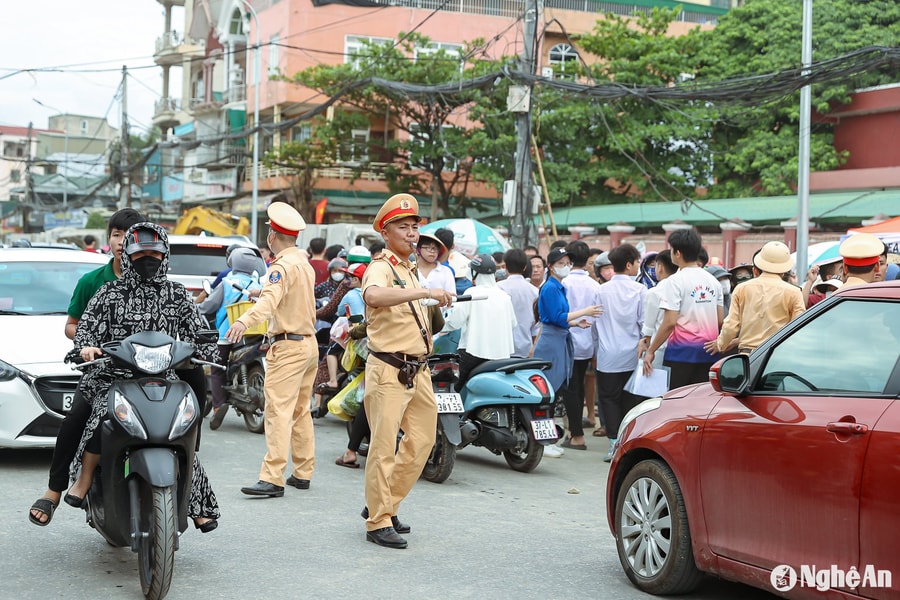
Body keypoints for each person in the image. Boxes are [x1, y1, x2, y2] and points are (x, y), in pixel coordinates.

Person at [52, 222, 220, 532]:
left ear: (164, 255)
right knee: (102, 415)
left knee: (180, 432)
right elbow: (85, 329)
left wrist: (204, 346)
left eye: (153, 253)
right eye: (139, 252)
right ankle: (85, 479)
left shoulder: (177, 293)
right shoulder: (109, 292)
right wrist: (88, 348)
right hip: (112, 376)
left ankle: (196, 503)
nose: (147, 258)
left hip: (164, 378)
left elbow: (199, 329)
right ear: (127, 255)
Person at [30, 208, 145, 526]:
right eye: (117, 234)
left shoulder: (157, 282)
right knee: (77, 418)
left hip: (149, 372)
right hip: (103, 369)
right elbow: (72, 325)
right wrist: (87, 344)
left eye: (130, 235)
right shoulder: (92, 281)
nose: (122, 242)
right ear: (108, 239)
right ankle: (54, 490)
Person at [359, 193, 454, 549]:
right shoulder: (382, 266)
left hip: (419, 369)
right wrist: (422, 291)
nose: (412, 233)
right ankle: (378, 521)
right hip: (389, 369)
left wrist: (435, 298)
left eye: (415, 226)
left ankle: (385, 503)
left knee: (423, 441)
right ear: (386, 233)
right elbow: (373, 296)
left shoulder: (410, 269)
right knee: (383, 447)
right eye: (403, 227)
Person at [226, 202, 319, 498]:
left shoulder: (280, 266)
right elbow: (286, 296)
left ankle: (273, 477)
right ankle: (303, 472)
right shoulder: (302, 263)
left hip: (288, 346)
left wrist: (243, 320)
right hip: (309, 344)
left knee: (277, 411)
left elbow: (268, 304)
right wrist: (261, 292)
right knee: (301, 410)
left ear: (272, 236)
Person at [532, 248, 602, 453]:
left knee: (555, 390)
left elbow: (559, 319)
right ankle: (542, 441)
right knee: (548, 391)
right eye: (561, 263)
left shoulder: (558, 286)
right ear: (551, 266)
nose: (566, 267)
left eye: (568, 263)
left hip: (560, 339)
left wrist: (575, 324)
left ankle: (547, 439)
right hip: (551, 344)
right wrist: (585, 312)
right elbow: (556, 316)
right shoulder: (551, 288)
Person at [642, 229, 724, 390]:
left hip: (680, 355)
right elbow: (720, 320)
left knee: (677, 402)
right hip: (709, 354)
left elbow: (670, 322)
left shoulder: (674, 281)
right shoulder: (713, 282)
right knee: (701, 402)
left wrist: (651, 350)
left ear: (677, 253)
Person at [198, 247, 264, 430]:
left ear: (232, 262)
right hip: (253, 331)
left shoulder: (227, 282)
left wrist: (199, 309)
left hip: (227, 332)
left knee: (217, 367)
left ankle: (218, 405)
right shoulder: (256, 283)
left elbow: (210, 305)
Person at [704, 241, 805, 357]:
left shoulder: (741, 288)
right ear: (784, 269)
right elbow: (797, 327)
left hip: (748, 355)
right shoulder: (794, 292)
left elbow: (731, 325)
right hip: (777, 354)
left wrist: (721, 344)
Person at [592, 244, 646, 461]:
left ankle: (614, 444)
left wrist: (596, 348)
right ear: (628, 264)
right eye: (637, 262)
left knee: (608, 399)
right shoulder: (640, 290)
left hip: (607, 354)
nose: (638, 267)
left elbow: (595, 323)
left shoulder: (601, 291)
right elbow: (644, 324)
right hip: (633, 354)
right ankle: (627, 442)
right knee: (630, 400)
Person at [442, 254, 516, 387]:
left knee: (451, 387)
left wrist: (438, 327)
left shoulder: (472, 293)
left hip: (472, 353)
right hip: (501, 356)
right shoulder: (504, 296)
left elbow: (455, 322)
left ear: (474, 273)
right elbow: (513, 324)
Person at [562, 241, 602, 445]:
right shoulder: (595, 286)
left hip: (567, 341)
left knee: (571, 388)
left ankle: (576, 434)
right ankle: (575, 433)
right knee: (577, 386)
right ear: (587, 260)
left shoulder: (563, 283)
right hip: (588, 343)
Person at [638, 249, 678, 372]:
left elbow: (649, 328)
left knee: (656, 387)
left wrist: (646, 346)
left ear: (660, 267)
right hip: (680, 348)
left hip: (658, 348)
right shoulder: (681, 288)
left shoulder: (654, 292)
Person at [497, 249, 539, 359]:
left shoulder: (498, 288)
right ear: (525, 267)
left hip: (503, 347)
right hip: (526, 347)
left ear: (505, 266)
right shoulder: (535, 291)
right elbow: (536, 324)